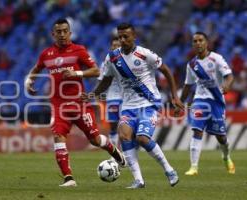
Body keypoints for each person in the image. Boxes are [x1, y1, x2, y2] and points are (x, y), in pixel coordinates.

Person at [24, 18, 125, 187]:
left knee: (94, 139)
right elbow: (36, 69)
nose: (62, 34)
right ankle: (68, 178)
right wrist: (29, 82)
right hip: (59, 106)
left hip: (80, 103)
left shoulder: (79, 50)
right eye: (59, 32)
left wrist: (76, 73)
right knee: (58, 136)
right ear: (53, 34)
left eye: (65, 31)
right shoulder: (46, 54)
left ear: (70, 33)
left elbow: (95, 70)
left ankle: (116, 153)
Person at [85, 23, 184, 189]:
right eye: (120, 37)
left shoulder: (145, 54)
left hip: (150, 104)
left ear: (134, 37)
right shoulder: (112, 58)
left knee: (142, 138)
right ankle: (139, 180)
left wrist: (174, 96)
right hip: (129, 106)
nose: (122, 40)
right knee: (124, 136)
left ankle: (169, 170)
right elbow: (107, 80)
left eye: (126, 37)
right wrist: (92, 94)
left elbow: (166, 71)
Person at [175, 31, 235, 175]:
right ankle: (194, 167)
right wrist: (180, 103)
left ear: (206, 43)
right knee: (197, 130)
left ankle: (226, 157)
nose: (198, 43)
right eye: (195, 41)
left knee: (221, 137)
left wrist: (227, 85)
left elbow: (229, 76)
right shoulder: (192, 64)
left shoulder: (217, 59)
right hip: (200, 100)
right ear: (192, 45)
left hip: (216, 101)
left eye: (200, 40)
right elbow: (188, 86)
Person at [98, 36, 122, 147]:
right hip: (112, 99)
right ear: (110, 47)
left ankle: (129, 153)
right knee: (113, 126)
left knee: (127, 126)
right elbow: (101, 82)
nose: (115, 47)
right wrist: (97, 96)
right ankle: (115, 153)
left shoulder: (129, 62)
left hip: (126, 99)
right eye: (114, 45)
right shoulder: (105, 64)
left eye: (118, 46)